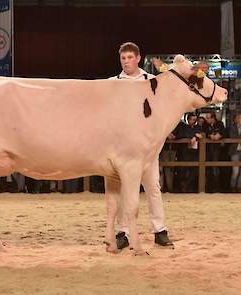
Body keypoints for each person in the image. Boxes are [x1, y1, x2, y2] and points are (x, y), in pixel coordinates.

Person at [109, 42, 173, 249]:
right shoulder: (113, 82)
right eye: (123, 58)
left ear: (138, 58)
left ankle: (160, 230)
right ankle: (123, 233)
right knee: (123, 191)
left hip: (146, 147)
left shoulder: (151, 80)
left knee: (153, 187)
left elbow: (170, 90)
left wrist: (163, 68)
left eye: (129, 57)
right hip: (121, 148)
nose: (126, 61)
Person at [205, 111, 225, 192]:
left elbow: (224, 132)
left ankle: (216, 186)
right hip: (207, 149)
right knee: (208, 167)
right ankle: (209, 187)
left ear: (213, 118)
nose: (206, 119)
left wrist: (219, 135)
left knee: (215, 167)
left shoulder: (220, 124)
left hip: (217, 149)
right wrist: (210, 135)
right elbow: (205, 132)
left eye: (208, 118)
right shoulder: (206, 125)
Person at [228, 113, 241, 192]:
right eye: (239, 118)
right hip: (235, 151)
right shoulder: (232, 128)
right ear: (236, 119)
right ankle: (232, 186)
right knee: (235, 171)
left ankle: (239, 187)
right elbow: (233, 137)